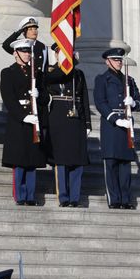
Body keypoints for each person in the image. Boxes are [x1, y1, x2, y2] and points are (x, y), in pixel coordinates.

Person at [94, 47, 140, 210]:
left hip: (127, 122)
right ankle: (114, 199)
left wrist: (134, 103)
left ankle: (125, 198)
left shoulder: (129, 80)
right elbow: (101, 103)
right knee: (111, 162)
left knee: (125, 164)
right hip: (111, 125)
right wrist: (115, 120)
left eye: (120, 60)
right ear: (107, 61)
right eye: (116, 60)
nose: (119, 62)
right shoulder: (102, 79)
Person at [0, 38, 46, 205]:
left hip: (34, 119)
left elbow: (45, 97)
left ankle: (31, 195)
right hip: (18, 121)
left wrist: (39, 95)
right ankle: (20, 195)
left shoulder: (36, 73)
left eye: (28, 52)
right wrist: (22, 116)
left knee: (32, 159)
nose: (27, 55)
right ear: (15, 53)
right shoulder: (8, 73)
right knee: (19, 159)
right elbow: (9, 98)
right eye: (24, 52)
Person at [45, 50, 92, 207]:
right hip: (58, 118)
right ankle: (64, 197)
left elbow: (84, 98)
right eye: (62, 53)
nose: (66, 56)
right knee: (61, 159)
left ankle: (75, 197)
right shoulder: (51, 72)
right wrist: (65, 66)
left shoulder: (78, 74)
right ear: (57, 55)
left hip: (76, 118)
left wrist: (87, 124)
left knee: (77, 160)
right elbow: (51, 81)